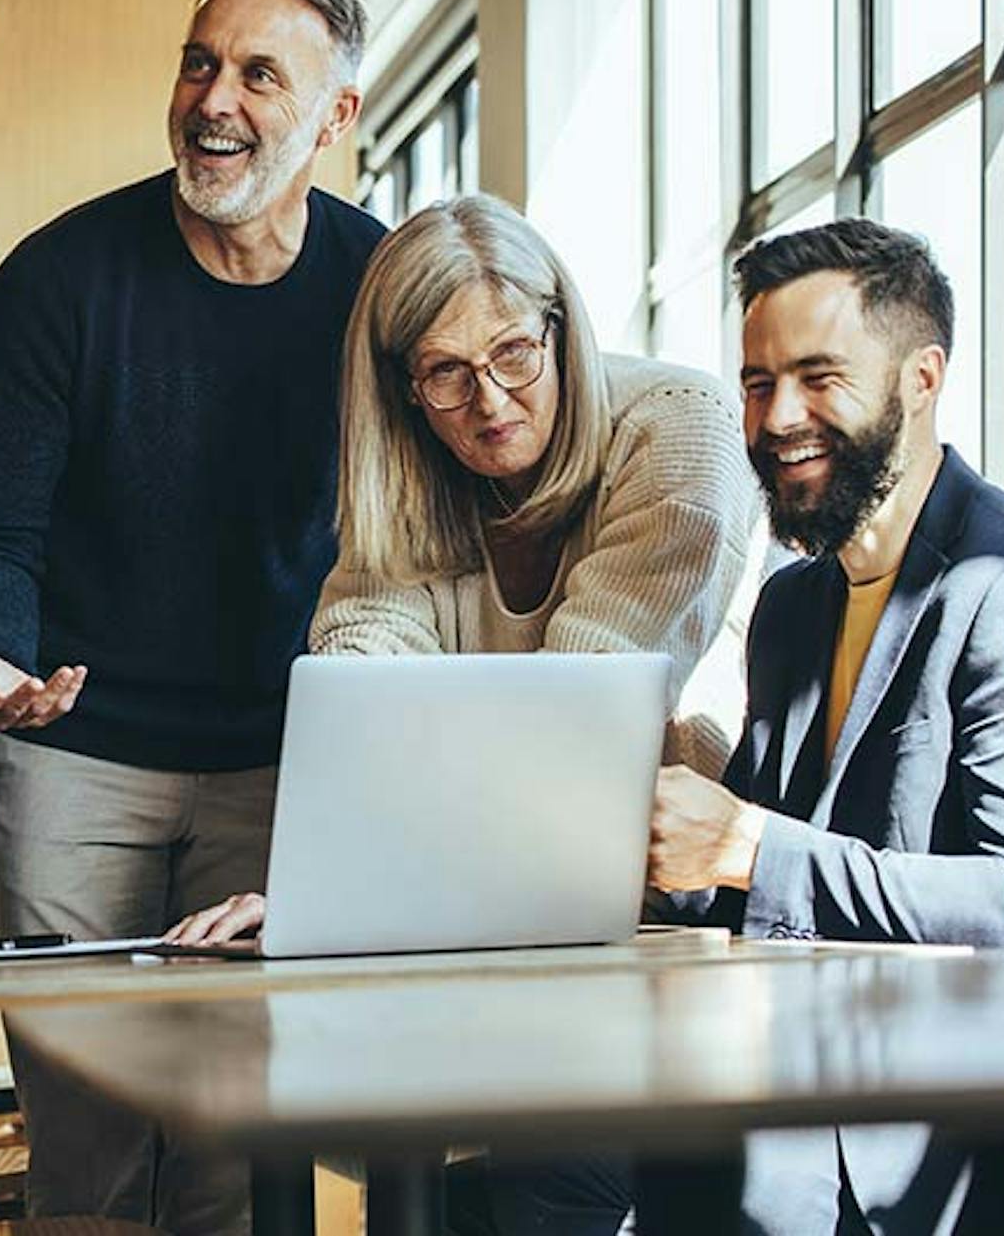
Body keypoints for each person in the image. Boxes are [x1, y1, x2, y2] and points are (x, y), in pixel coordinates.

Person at [160, 193, 756, 1236]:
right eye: (445, 373)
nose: (490, 401)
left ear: (561, 327)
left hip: (675, 926)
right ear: (403, 389)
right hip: (506, 928)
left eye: (514, 353)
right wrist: (312, 887)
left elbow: (575, 714)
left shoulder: (678, 429)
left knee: (538, 1178)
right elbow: (359, 683)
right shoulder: (412, 480)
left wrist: (360, 874)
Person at [0, 0, 385, 1233]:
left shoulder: (380, 290)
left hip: (281, 765)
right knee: (89, 1153)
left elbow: (423, 540)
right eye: (197, 62)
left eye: (256, 73)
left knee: (239, 1157)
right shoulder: (57, 280)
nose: (213, 100)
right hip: (78, 759)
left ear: (334, 118)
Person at [637, 218, 1004, 1234]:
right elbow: (739, 873)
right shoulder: (793, 605)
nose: (778, 415)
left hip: (938, 1137)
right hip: (783, 1076)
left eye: (817, 375)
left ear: (921, 378)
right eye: (755, 382)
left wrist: (746, 845)